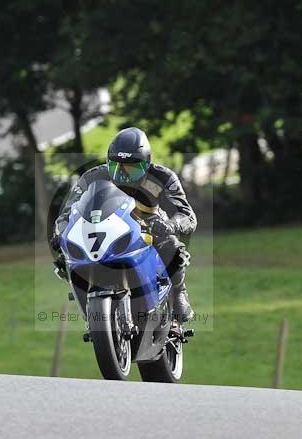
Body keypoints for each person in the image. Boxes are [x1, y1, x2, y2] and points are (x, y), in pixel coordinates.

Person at [51, 127, 196, 322]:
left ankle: (179, 292)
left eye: (131, 168)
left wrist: (171, 224)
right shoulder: (92, 176)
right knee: (64, 253)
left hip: (148, 223)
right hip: (106, 227)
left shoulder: (163, 177)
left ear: (147, 164)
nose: (122, 175)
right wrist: (60, 232)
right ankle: (87, 295)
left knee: (171, 245)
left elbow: (186, 214)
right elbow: (69, 211)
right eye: (116, 166)